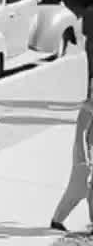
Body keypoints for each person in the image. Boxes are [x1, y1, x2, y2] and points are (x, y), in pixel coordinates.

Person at [52, 83, 93, 232]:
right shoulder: (88, 108)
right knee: (77, 190)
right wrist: (84, 159)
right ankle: (57, 220)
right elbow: (80, 134)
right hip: (84, 152)